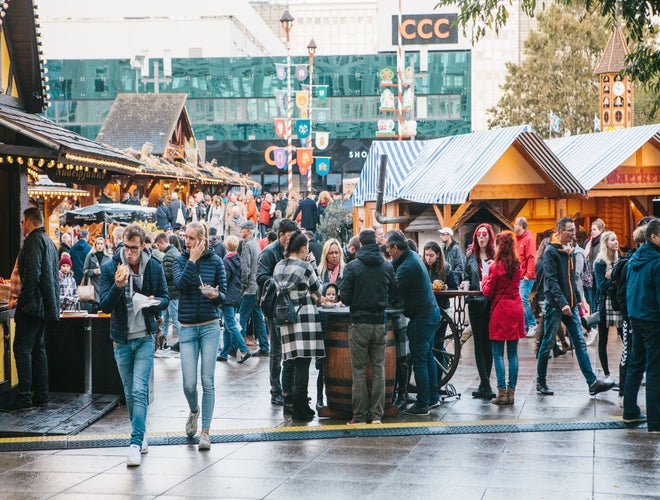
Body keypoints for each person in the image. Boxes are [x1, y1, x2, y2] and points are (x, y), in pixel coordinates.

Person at [99, 223, 169, 466]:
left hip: (145, 338)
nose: (129, 253)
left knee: (139, 390)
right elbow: (104, 306)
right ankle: (141, 432)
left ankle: (135, 443)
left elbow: (165, 298)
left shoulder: (153, 267)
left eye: (134, 248)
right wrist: (118, 287)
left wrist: (154, 302)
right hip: (121, 339)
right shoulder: (110, 268)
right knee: (129, 392)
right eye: (126, 248)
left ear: (143, 246)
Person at [536, 216, 615, 397]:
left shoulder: (568, 249)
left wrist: (578, 300)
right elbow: (551, 280)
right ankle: (540, 382)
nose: (574, 233)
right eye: (570, 230)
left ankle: (592, 382)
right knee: (547, 343)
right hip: (556, 306)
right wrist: (563, 303)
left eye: (574, 230)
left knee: (579, 342)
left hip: (569, 305)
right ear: (560, 230)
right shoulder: (551, 251)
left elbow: (572, 278)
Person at [173, 221, 227, 451]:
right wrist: (192, 261)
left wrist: (216, 295)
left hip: (209, 326)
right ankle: (194, 410)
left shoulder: (216, 261)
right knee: (188, 383)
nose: (187, 242)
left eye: (192, 238)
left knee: (207, 380)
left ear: (202, 239)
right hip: (186, 327)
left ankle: (206, 431)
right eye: (186, 237)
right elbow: (180, 286)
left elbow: (225, 294)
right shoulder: (180, 260)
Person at [2, 208, 59, 412]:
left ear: (27, 221)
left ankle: (25, 395)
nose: (21, 226)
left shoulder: (33, 241)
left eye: (22, 222)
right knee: (38, 349)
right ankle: (41, 394)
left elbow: (33, 275)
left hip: (32, 306)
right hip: (45, 306)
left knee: (22, 349)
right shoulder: (49, 242)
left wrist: (22, 302)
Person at [340, 229, 397, 424]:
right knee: (379, 369)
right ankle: (376, 416)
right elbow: (395, 293)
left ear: (361, 244)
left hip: (359, 323)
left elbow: (345, 298)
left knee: (359, 370)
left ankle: (359, 415)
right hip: (379, 323)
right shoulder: (387, 266)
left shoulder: (353, 267)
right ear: (375, 242)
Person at [386, 230, 441, 415]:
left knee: (419, 360)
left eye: (388, 248)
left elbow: (392, 290)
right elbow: (391, 267)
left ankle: (423, 403)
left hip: (423, 317)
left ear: (395, 247)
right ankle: (433, 398)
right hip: (431, 313)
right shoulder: (409, 257)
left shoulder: (408, 266)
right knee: (426, 357)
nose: (388, 251)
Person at [273, 230, 325, 421]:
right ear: (303, 248)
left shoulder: (279, 266)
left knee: (292, 362)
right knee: (303, 365)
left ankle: (295, 405)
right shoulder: (305, 266)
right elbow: (318, 289)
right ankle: (301, 409)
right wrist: (311, 264)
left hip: (287, 319)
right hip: (305, 319)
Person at [622, 218, 660, 433]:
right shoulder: (657, 262)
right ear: (653, 237)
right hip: (653, 320)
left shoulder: (636, 257)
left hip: (636, 317)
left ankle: (629, 411)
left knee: (636, 364)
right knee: (655, 369)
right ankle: (655, 422)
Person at [257, 218, 298, 407]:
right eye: (289, 237)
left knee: (290, 350)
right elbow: (260, 277)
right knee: (277, 351)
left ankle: (288, 388)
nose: (291, 241)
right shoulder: (269, 253)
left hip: (289, 304)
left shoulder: (290, 250)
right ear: (280, 235)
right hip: (274, 306)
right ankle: (276, 390)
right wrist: (281, 280)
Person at [481, 231, 525, 405]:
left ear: (499, 246)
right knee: (513, 353)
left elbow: (488, 292)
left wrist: (485, 279)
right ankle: (511, 393)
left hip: (500, 311)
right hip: (516, 308)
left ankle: (501, 393)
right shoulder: (517, 265)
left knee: (498, 353)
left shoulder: (495, 267)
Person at [463, 223, 497, 400]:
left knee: (488, 343)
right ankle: (486, 383)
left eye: (484, 234)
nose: (481, 237)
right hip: (475, 303)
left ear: (490, 236)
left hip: (491, 303)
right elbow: (466, 275)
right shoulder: (470, 255)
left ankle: (485, 383)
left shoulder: (495, 255)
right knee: (478, 343)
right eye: (478, 235)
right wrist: (465, 282)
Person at [217, 235, 253, 363]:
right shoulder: (238, 259)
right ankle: (224, 353)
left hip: (228, 296)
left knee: (230, 325)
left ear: (226, 245)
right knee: (228, 325)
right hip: (237, 295)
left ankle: (244, 350)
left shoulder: (226, 260)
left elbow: (224, 279)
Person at [593, 230, 622, 385]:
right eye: (612, 240)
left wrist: (612, 279)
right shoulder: (600, 262)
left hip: (618, 304)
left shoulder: (620, 261)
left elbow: (621, 283)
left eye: (616, 239)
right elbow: (601, 286)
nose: (616, 242)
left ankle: (625, 372)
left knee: (625, 338)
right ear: (606, 243)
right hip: (605, 304)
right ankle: (607, 374)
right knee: (602, 339)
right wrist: (613, 282)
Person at [238, 220, 269, 356]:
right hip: (256, 286)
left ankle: (236, 345)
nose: (241, 231)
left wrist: (243, 285)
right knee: (257, 317)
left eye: (243, 229)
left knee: (241, 318)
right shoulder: (255, 244)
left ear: (248, 231)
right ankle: (264, 345)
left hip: (250, 287)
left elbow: (245, 268)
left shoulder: (246, 245)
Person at [154, 233, 180, 350]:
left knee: (173, 319)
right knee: (168, 319)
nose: (158, 248)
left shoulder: (168, 256)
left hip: (171, 292)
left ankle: (181, 343)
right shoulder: (175, 252)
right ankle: (162, 343)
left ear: (163, 242)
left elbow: (168, 275)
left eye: (158, 245)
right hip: (172, 292)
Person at [513, 217, 537, 337]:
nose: (514, 225)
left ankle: (532, 324)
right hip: (519, 276)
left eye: (516, 223)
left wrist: (528, 274)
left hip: (526, 276)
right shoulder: (517, 240)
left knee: (523, 299)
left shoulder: (529, 239)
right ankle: (525, 326)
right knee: (520, 300)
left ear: (521, 225)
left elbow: (531, 257)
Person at [584, 218, 606, 312]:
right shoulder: (590, 242)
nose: (592, 232)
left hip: (600, 274)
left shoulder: (603, 242)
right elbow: (585, 256)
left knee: (597, 299)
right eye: (591, 230)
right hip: (591, 275)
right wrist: (588, 245)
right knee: (591, 299)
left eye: (595, 229)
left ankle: (595, 321)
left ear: (601, 230)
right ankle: (594, 321)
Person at [82, 236, 111, 305]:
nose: (99, 246)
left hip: (104, 285)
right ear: (95, 245)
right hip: (93, 285)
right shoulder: (90, 255)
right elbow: (85, 271)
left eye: (101, 244)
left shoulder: (108, 257)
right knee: (95, 307)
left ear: (104, 245)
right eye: (98, 244)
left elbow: (110, 271)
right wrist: (93, 272)